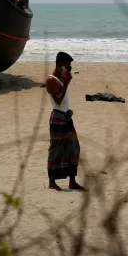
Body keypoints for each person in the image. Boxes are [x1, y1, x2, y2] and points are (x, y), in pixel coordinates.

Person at [46, 52, 82, 191]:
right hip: (57, 117)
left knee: (74, 148)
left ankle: (72, 181)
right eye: (68, 66)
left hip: (66, 117)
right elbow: (58, 100)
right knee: (56, 149)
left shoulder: (61, 78)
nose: (69, 68)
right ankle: (52, 181)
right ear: (60, 65)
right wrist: (66, 83)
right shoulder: (51, 80)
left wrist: (65, 81)